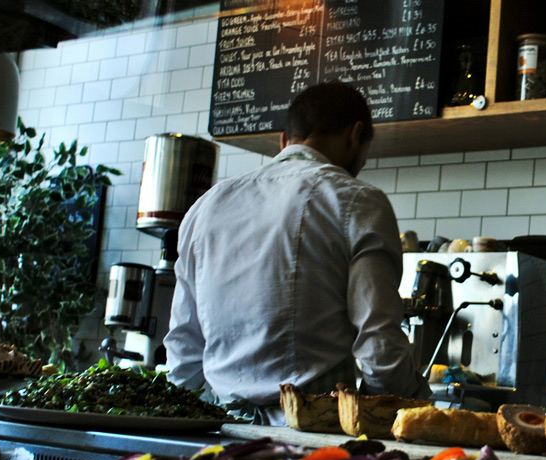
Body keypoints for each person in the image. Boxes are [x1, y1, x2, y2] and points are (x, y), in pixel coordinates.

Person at [164, 82, 430, 424]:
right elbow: (379, 344)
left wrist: (187, 425)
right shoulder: (358, 201)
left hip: (222, 431)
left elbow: (184, 344)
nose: (362, 163)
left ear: (283, 140)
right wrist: (413, 407)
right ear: (356, 134)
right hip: (312, 436)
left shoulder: (206, 207)